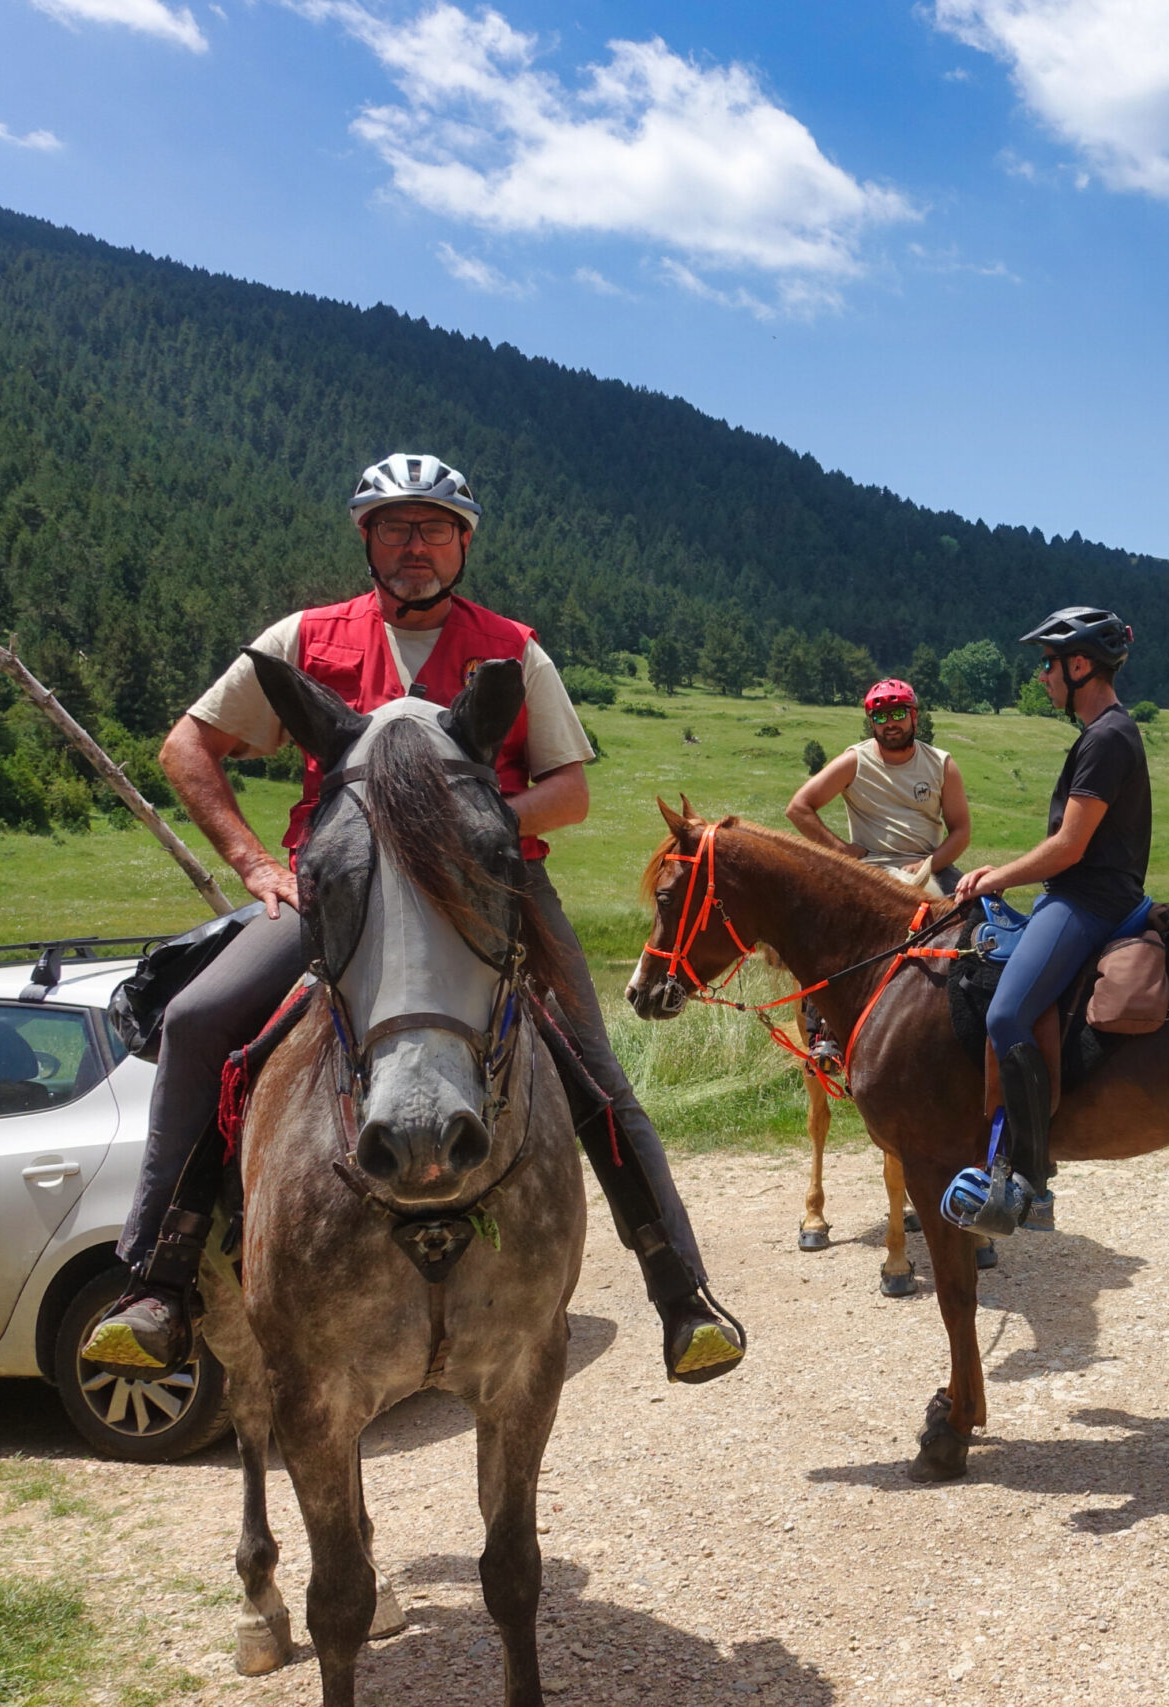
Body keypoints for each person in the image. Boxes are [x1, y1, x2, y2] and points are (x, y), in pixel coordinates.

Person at [83, 454, 744, 1383]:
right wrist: (256, 863)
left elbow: (569, 791)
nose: (415, 544)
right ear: (367, 539)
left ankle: (681, 1291)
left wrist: (467, 827)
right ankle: (156, 1281)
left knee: (591, 1062)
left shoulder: (514, 648)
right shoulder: (303, 639)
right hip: (344, 887)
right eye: (394, 526)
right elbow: (186, 746)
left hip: (490, 887)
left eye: (434, 527)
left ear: (463, 542)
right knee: (198, 1020)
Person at [952, 607, 1149, 1234]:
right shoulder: (1104, 733)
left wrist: (995, 878)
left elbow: (1069, 846)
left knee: (1005, 1015)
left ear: (1080, 665)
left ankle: (1029, 1181)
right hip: (1080, 894)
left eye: (1048, 664)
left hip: (1088, 900)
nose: (1042, 677)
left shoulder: (1106, 738)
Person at [786, 679, 972, 895]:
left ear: (914, 716)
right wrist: (840, 850)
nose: (890, 723)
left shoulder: (941, 764)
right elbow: (798, 808)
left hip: (931, 869)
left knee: (980, 907)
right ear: (872, 723)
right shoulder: (854, 762)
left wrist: (926, 865)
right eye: (880, 717)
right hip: (871, 871)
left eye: (898, 714)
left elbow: (961, 831)